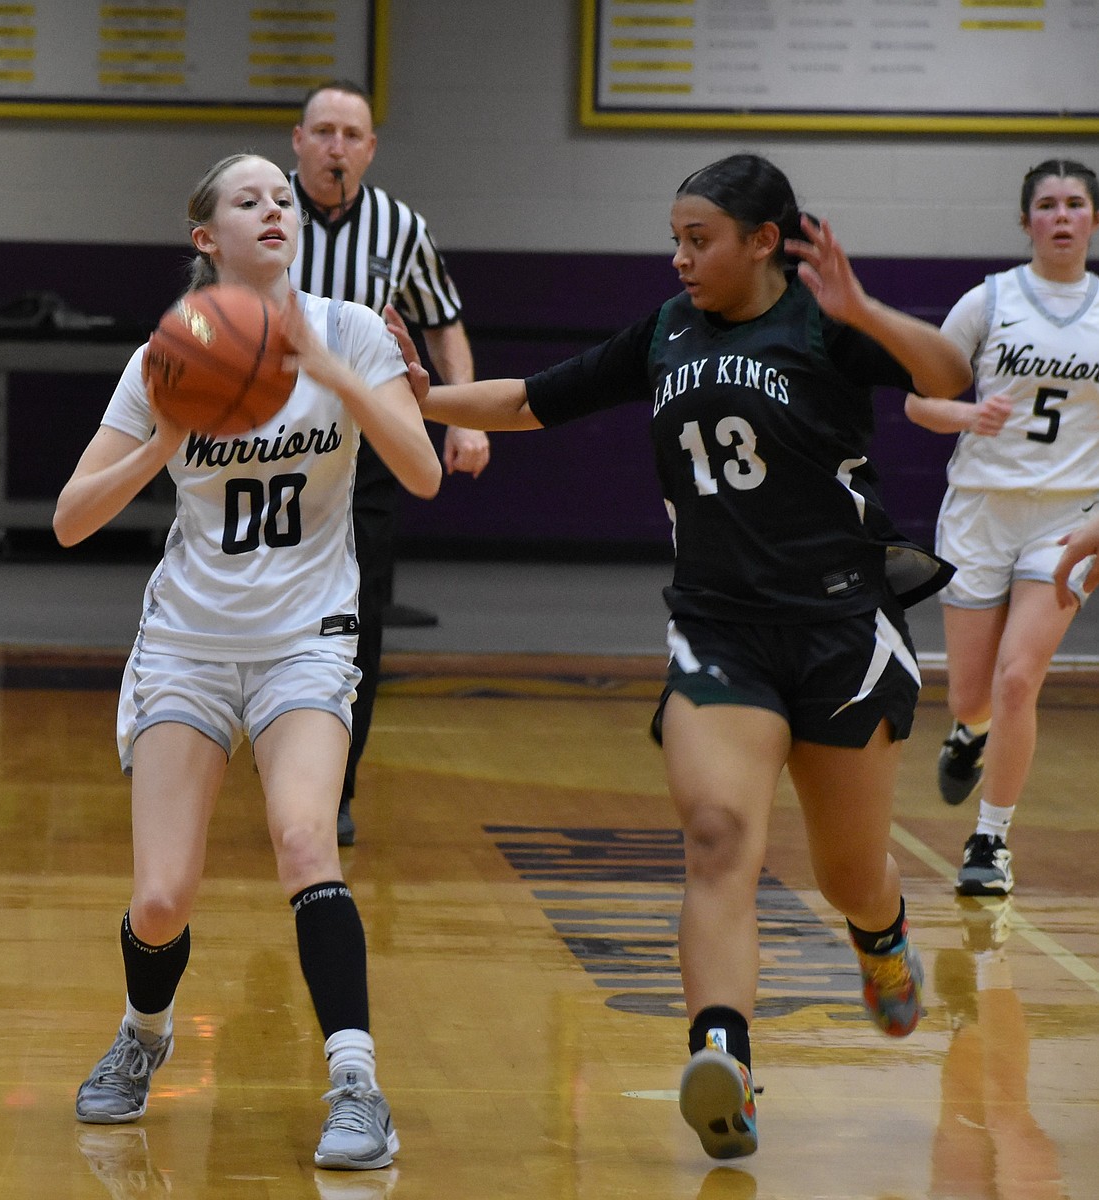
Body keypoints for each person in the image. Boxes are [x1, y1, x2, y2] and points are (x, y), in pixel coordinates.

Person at [386, 152, 973, 1160]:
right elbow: (533, 399)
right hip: (718, 629)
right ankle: (725, 1061)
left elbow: (949, 377)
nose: (678, 259)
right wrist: (421, 400)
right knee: (715, 839)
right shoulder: (663, 333)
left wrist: (868, 310)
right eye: (674, 238)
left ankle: (881, 938)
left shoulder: (828, 326)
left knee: (847, 875)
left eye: (698, 240)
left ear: (761, 242)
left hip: (841, 632)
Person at [53, 152, 441, 1172]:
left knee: (307, 840)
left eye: (283, 198)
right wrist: (161, 437)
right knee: (163, 898)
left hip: (306, 636)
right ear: (205, 238)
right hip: (188, 642)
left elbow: (425, 471)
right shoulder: (165, 358)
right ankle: (144, 1033)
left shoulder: (350, 329)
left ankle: (357, 1083)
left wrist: (331, 367)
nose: (274, 209)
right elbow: (69, 519)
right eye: (248, 199)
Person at [290, 79, 490, 847]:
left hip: (365, 443)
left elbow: (444, 325)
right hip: (269, 446)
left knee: (358, 613)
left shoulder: (400, 228)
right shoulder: (260, 211)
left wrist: (467, 418)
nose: (337, 145)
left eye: (352, 134)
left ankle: (336, 786)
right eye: (325, 131)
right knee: (253, 597)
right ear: (298, 141)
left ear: (370, 149)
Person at [905, 159, 1099, 898]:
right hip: (981, 510)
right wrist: (965, 413)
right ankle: (967, 733)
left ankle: (990, 840)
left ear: (1092, 219)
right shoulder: (986, 302)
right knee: (973, 695)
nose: (1060, 216)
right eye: (1046, 205)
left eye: (1074, 204)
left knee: (1021, 681)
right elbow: (922, 403)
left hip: (1069, 518)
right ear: (1026, 222)